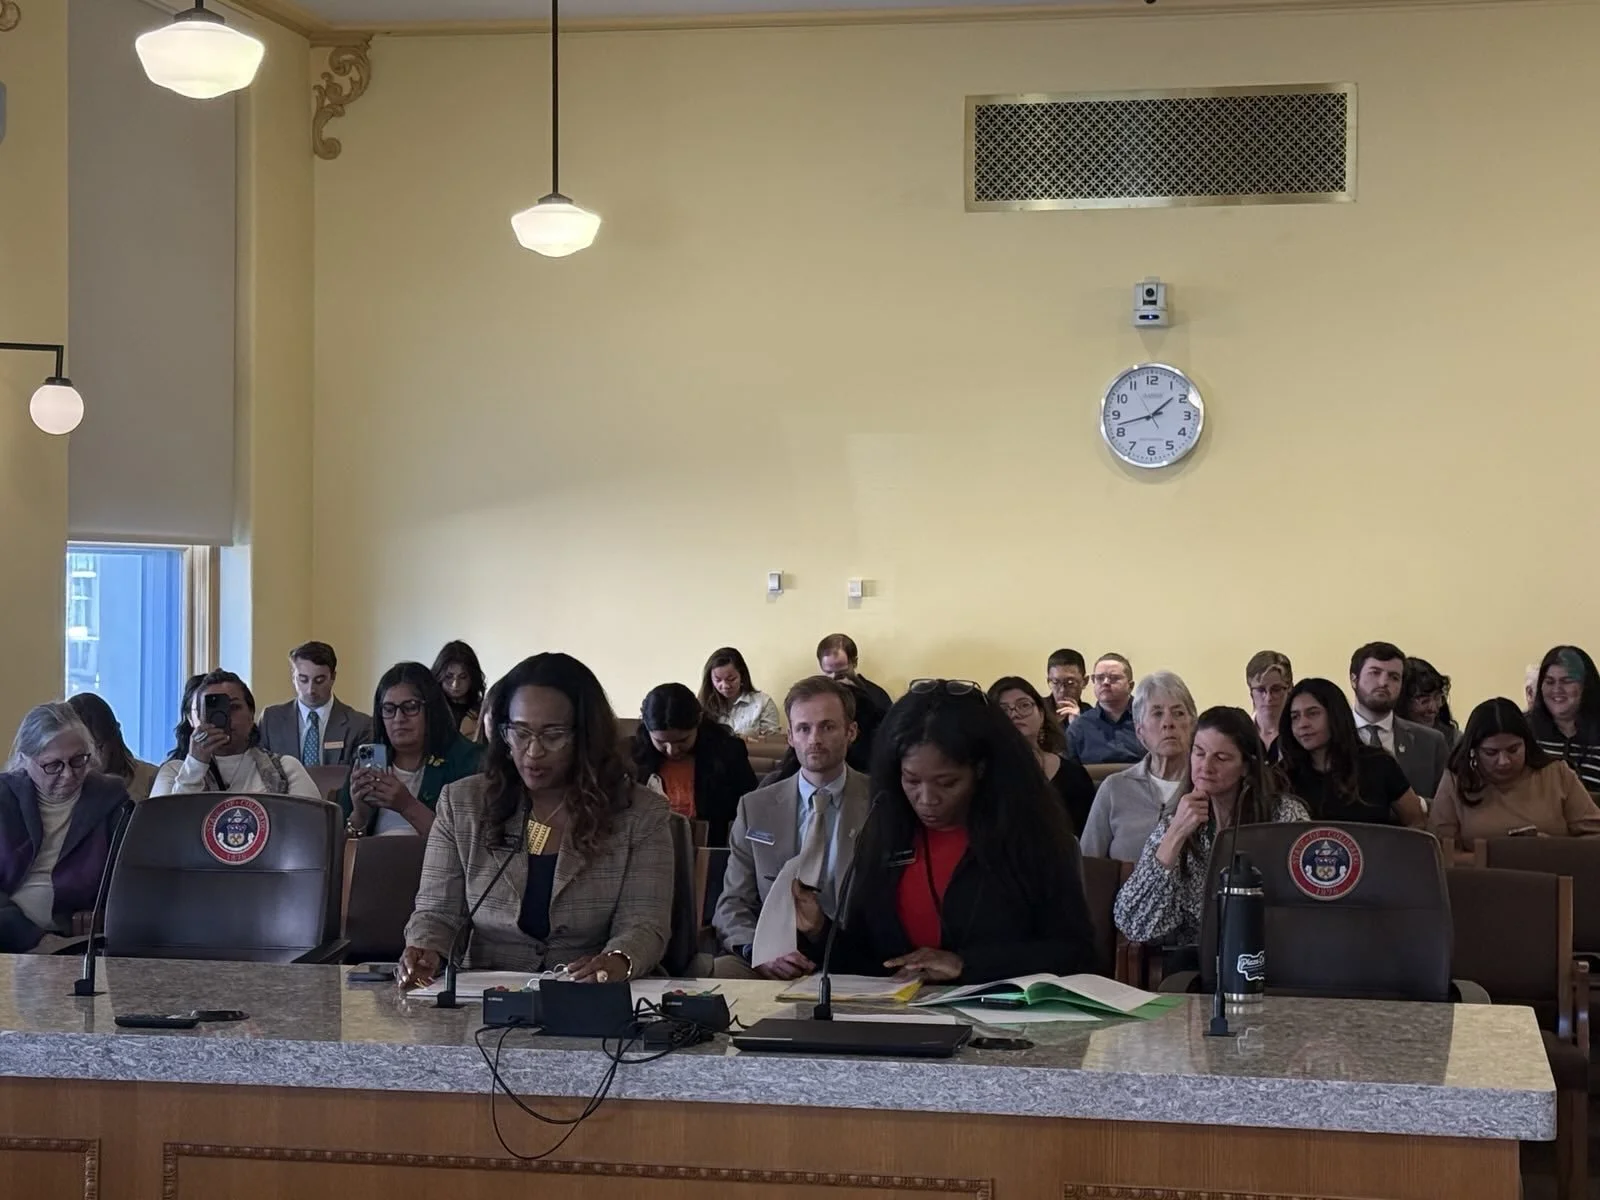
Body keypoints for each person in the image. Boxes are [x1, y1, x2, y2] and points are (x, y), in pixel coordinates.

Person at [794, 680, 1096, 983]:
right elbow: (873, 963)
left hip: (995, 1008)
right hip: (899, 1009)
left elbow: (1076, 954)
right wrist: (819, 929)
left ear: (981, 771)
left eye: (947, 783)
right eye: (912, 781)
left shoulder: (1031, 837)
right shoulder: (886, 832)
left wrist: (966, 965)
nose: (927, 799)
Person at [399, 652, 673, 986]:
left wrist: (616, 961)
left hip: (589, 993)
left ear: (586, 736)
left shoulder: (640, 812)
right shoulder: (463, 804)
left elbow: (644, 924)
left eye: (552, 735)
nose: (533, 751)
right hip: (487, 991)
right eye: (520, 732)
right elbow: (436, 912)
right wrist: (426, 950)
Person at [714, 676, 868, 979]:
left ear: (851, 732)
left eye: (827, 727)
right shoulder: (755, 807)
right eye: (803, 728)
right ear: (790, 737)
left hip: (854, 957)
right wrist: (758, 952)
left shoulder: (879, 802)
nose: (814, 739)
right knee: (717, 973)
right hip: (772, 954)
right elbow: (733, 902)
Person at [1115, 706, 1309, 946]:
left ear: (1246, 766)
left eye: (1221, 758)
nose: (1205, 766)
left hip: (1273, 950)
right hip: (1197, 957)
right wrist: (1175, 835)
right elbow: (1132, 923)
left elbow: (1306, 905)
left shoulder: (1285, 816)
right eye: (1199, 753)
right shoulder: (1175, 822)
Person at [0, 703, 131, 953]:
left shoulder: (110, 799)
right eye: (53, 766)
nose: (69, 775)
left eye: (78, 760)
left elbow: (127, 878)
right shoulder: (4, 798)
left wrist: (103, 911)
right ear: (25, 760)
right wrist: (33, 938)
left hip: (72, 940)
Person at [1428, 698, 1600, 861]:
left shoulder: (1557, 774)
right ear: (1474, 751)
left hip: (1554, 871)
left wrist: (1554, 848)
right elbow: (1439, 851)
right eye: (1491, 753)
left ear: (1527, 744)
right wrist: (1495, 857)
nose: (1504, 761)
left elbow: (1595, 836)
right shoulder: (1456, 781)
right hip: (1482, 877)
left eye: (1513, 750)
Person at [341, 662, 482, 838]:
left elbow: (463, 844)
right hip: (374, 855)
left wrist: (407, 806)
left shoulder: (467, 759)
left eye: (410, 707)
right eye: (389, 709)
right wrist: (360, 816)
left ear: (431, 709)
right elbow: (338, 848)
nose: (398, 718)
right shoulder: (368, 763)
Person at [150, 670, 322, 799]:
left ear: (251, 714)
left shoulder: (285, 768)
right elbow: (160, 828)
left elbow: (314, 825)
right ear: (196, 719)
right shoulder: (173, 772)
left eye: (234, 707)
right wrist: (195, 765)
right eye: (212, 711)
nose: (225, 717)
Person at [1278, 679, 1426, 827]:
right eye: (1295, 717)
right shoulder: (1283, 776)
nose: (1302, 724)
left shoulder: (1379, 764)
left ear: (1335, 714)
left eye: (1313, 713)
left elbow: (1416, 822)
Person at [1081, 672, 1196, 861]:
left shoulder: (1205, 785)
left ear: (1192, 725)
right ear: (1140, 730)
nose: (1168, 723)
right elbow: (1089, 865)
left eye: (1178, 713)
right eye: (1157, 714)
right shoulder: (1114, 788)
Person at [630, 684, 757, 847]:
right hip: (649, 846)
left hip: (712, 846)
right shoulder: (632, 757)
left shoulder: (727, 752)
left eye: (682, 740)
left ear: (699, 722)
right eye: (661, 742)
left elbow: (749, 806)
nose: (672, 750)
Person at [987, 676, 1095, 834]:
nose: (1015, 714)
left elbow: (1088, 835)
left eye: (1024, 705)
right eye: (1003, 710)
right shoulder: (983, 776)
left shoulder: (1074, 774)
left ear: (1042, 714)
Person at [1348, 641, 1450, 800]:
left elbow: (1446, 805)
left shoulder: (1431, 742)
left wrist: (1417, 806)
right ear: (1354, 679)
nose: (1383, 683)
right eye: (1375, 673)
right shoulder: (1330, 735)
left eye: (1394, 677)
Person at [257, 641, 373, 767]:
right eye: (303, 680)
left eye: (319, 681)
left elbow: (367, 774)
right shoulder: (270, 721)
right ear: (293, 677)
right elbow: (258, 770)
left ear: (333, 677)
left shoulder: (361, 725)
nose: (310, 690)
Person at [1527, 646, 1600, 795]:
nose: (1557, 689)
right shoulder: (1523, 730)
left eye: (1567, 681)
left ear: (1586, 685)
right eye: (1549, 682)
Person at [67, 692, 158, 803]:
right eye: (80, 755)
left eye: (98, 747)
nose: (93, 760)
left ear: (114, 737)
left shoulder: (152, 780)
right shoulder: (64, 790)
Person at [816, 634, 891, 768]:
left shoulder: (876, 697)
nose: (834, 679)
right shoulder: (814, 697)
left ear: (854, 663)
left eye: (841, 673)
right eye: (828, 672)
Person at [1065, 653, 1143, 764]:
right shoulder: (1079, 727)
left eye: (1114, 678)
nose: (1105, 682)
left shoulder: (1149, 720)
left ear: (1130, 686)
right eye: (1100, 678)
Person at [697, 647, 782, 739]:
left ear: (742, 675)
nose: (725, 685)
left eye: (731, 679)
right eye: (718, 680)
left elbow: (773, 742)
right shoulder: (702, 705)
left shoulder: (763, 703)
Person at [1399, 657, 1460, 749]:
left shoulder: (1454, 740)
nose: (1433, 708)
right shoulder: (1387, 737)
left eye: (1437, 698)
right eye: (1424, 701)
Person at [432, 641, 487, 741]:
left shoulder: (483, 712)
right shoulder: (429, 709)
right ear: (439, 675)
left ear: (472, 678)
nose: (455, 684)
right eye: (449, 677)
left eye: (463, 677)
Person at [1244, 650, 1293, 756]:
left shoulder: (1301, 734)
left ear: (1289, 689)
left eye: (1276, 689)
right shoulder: (1240, 736)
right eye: (1261, 690)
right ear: (1251, 692)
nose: (1268, 698)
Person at [1046, 649, 1089, 725]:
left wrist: (1078, 726)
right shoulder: (1037, 710)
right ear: (1048, 681)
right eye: (1055, 682)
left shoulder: (1091, 716)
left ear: (1084, 682)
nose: (1062, 690)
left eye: (1070, 683)